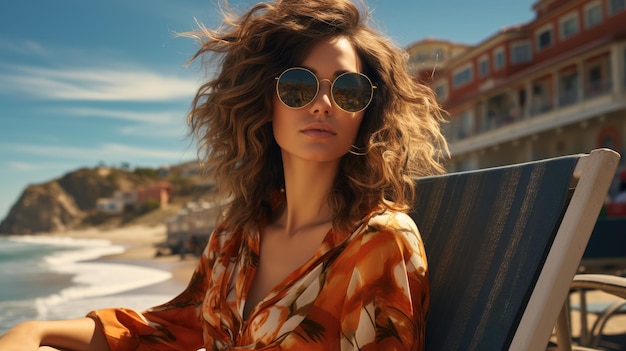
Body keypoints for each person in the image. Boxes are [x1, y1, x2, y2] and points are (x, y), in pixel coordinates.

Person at [0, 0, 448, 349]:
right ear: (264, 101)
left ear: (366, 112)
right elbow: (166, 328)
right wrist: (35, 330)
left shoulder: (380, 242)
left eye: (347, 89)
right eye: (299, 85)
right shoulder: (236, 239)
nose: (322, 103)